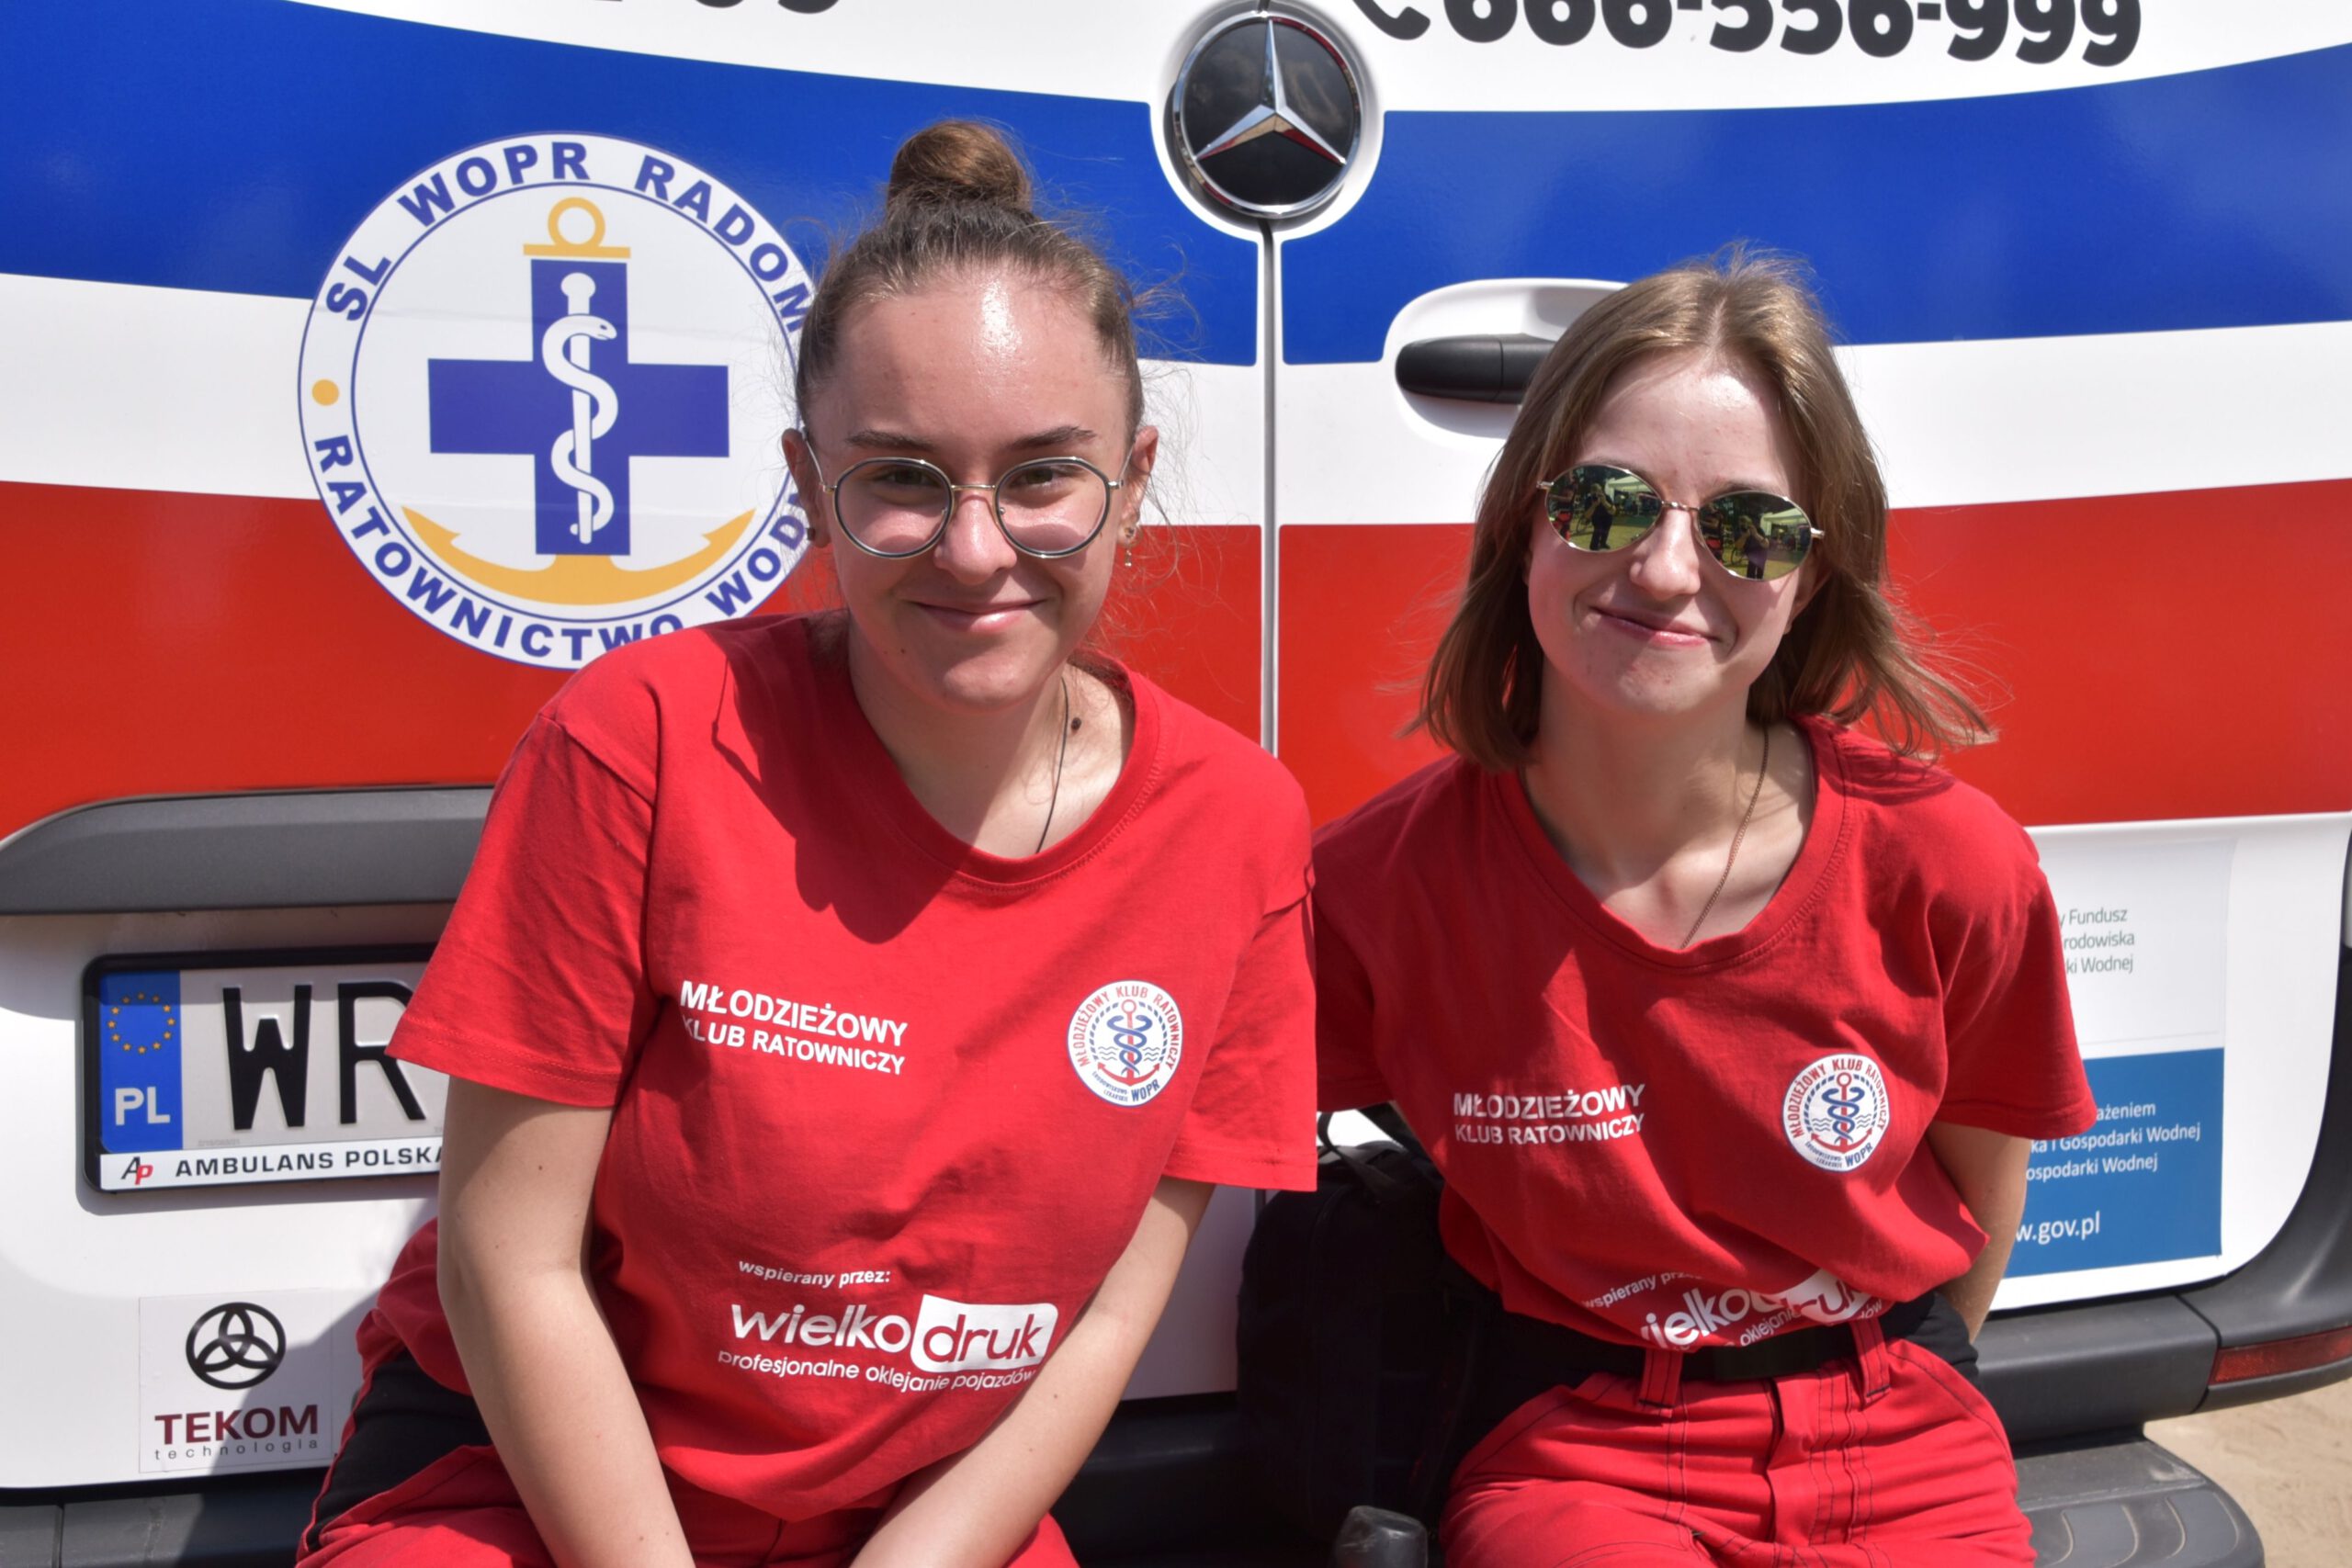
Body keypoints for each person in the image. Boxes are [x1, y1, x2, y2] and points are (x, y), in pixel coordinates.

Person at [297, 121, 1315, 1568]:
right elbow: (507, 1266)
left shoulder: (1237, 825)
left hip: (919, 1520)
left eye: (1044, 476)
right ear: (805, 479)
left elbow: (1108, 1320)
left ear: (1133, 479)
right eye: (902, 478)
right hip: (533, 1491)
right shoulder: (641, 740)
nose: (975, 548)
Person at [1312, 253, 2096, 1566]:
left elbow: (1981, 1202)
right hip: (1582, 1453)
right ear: (1523, 523)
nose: (1670, 570)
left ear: (1811, 578)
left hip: (1906, 1439)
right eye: (1608, 502)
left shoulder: (1949, 862)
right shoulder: (1377, 887)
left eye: (1752, 529)